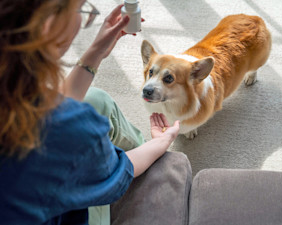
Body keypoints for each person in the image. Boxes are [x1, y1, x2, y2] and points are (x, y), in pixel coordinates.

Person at [0, 1, 180, 225]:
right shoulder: (68, 128)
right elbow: (119, 172)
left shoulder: (17, 93)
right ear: (48, 26)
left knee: (95, 98)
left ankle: (136, 146)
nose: (82, 18)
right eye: (80, 9)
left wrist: (95, 52)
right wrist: (162, 142)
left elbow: (54, 108)